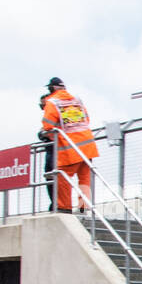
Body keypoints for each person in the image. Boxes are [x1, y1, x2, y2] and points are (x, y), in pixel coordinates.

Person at [40, 77, 99, 213]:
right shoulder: (76, 100)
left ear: (52, 89)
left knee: (62, 177)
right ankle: (84, 206)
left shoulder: (52, 102)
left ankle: (64, 208)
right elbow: (86, 119)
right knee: (84, 177)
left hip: (70, 147)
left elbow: (48, 126)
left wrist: (46, 134)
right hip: (87, 146)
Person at [37, 94, 55, 211]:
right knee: (49, 177)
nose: (43, 108)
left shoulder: (54, 113)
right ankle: (55, 203)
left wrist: (44, 133)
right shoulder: (48, 116)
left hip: (57, 151)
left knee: (56, 177)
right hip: (50, 150)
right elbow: (41, 133)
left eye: (43, 105)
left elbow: (47, 132)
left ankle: (59, 204)